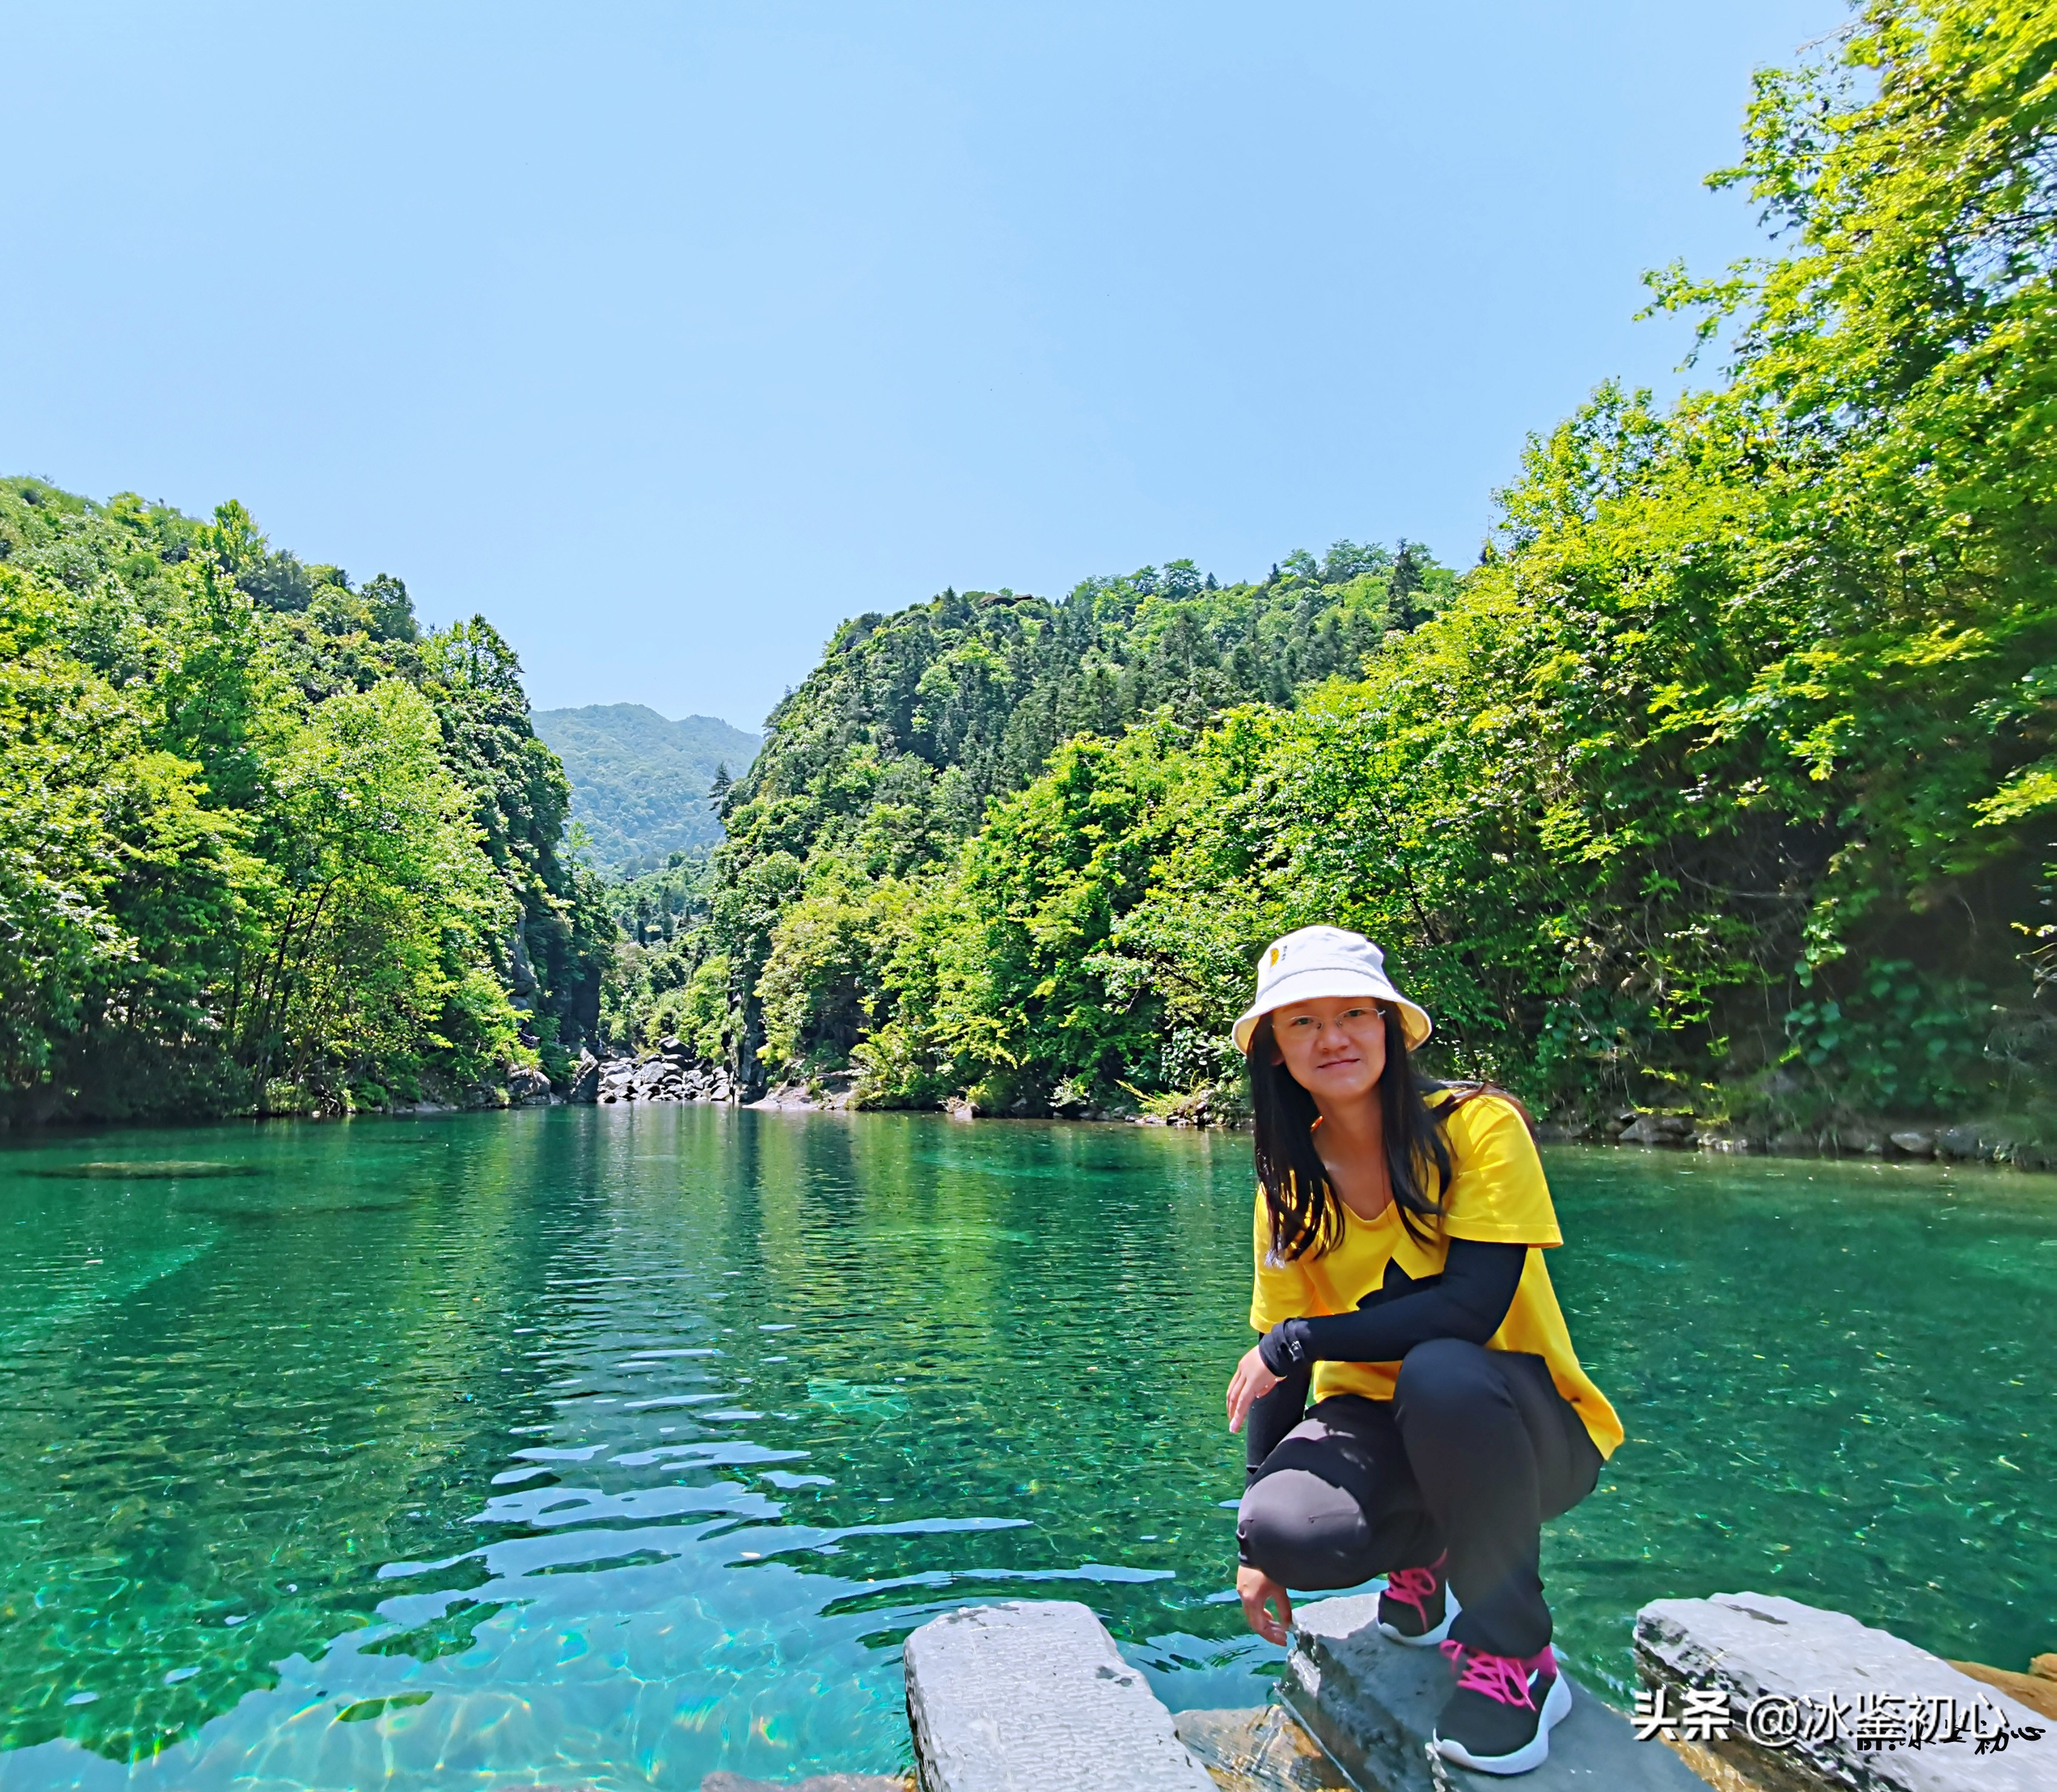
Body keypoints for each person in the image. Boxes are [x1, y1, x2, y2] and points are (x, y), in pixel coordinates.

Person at [1224, 926, 1623, 1776]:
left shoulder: (1477, 1127)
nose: (1330, 1038)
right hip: (1379, 1426)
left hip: (1520, 1427)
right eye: (1300, 1023)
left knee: (1442, 1371)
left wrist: (1303, 1339)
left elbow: (1471, 1309)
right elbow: (1275, 1368)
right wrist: (1251, 1551)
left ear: (1388, 1026)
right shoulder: (1288, 1184)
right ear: (1273, 1052)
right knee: (1284, 1527)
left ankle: (1516, 1657)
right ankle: (1427, 1554)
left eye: (1352, 1014)